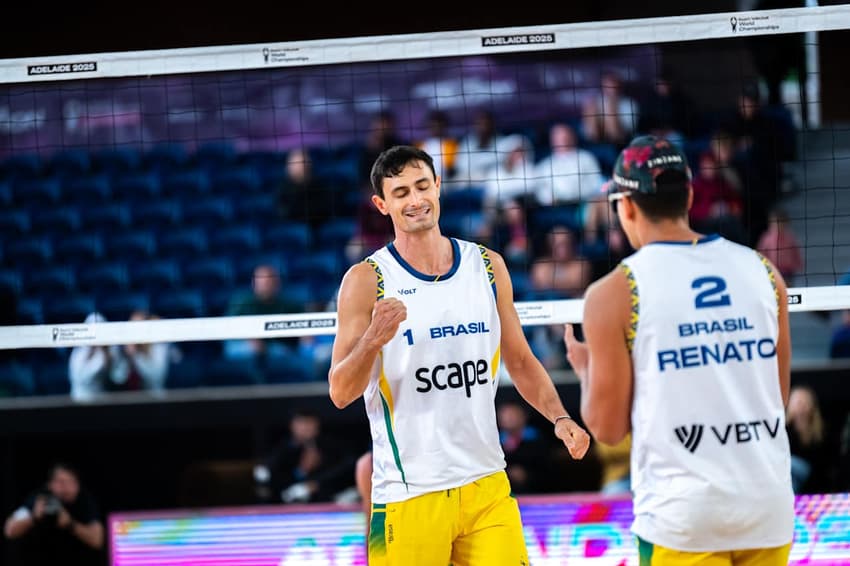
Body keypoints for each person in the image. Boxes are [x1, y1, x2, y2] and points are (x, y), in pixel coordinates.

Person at [328, 145, 590, 566]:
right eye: (400, 193)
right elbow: (340, 391)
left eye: (421, 186)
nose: (415, 200)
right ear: (381, 204)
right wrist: (373, 338)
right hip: (410, 495)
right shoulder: (366, 280)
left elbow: (520, 360)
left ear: (438, 186)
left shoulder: (486, 266)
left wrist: (560, 417)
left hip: (487, 484)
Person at [564, 135, 794, 564]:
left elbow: (609, 430)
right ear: (688, 195)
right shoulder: (764, 270)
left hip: (684, 516)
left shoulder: (613, 292)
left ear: (625, 206)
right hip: (768, 505)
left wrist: (587, 371)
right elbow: (776, 400)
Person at [4, 462, 105, 566]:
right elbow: (9, 530)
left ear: (78, 485)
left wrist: (70, 524)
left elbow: (97, 541)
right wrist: (34, 517)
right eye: (61, 482)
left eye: (71, 482)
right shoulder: (40, 499)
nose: (66, 488)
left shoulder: (84, 501)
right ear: (50, 484)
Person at [253, 410, 355, 504]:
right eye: (301, 423)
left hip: (326, 497)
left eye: (309, 423)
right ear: (292, 425)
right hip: (288, 501)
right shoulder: (283, 449)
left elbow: (346, 467)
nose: (306, 428)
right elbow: (271, 477)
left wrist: (316, 483)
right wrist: (301, 471)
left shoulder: (329, 445)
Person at [225, 264, 303, 359]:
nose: (267, 285)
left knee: (284, 353)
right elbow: (230, 327)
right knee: (246, 350)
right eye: (263, 282)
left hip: (275, 346)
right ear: (254, 283)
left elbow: (302, 324)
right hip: (243, 342)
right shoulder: (242, 301)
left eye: (271, 281)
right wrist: (249, 339)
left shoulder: (288, 304)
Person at [785, 384, 829, 493]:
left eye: (804, 401)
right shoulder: (783, 428)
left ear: (811, 405)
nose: (801, 406)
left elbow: (822, 463)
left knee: (792, 465)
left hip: (810, 474)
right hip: (789, 473)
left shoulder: (820, 432)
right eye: (797, 401)